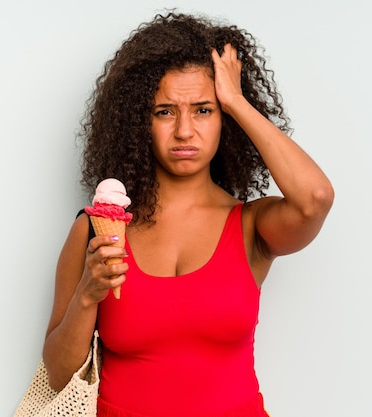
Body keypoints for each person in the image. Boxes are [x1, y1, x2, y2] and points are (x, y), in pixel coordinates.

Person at [41, 11, 334, 417]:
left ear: (224, 121)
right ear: (137, 121)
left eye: (203, 110)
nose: (183, 131)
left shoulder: (252, 225)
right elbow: (58, 376)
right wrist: (88, 293)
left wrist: (235, 100)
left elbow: (314, 198)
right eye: (164, 111)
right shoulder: (95, 230)